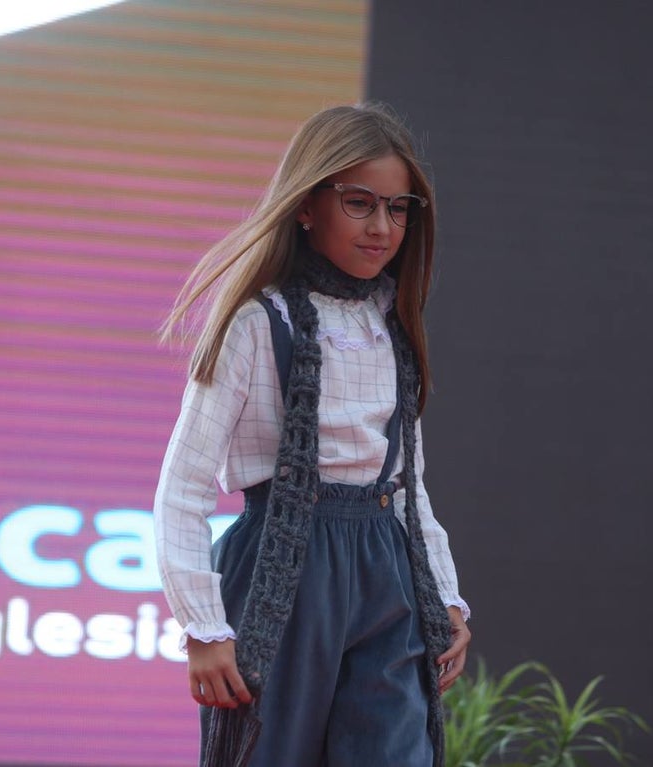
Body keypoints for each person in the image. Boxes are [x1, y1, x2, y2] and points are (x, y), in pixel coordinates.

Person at [154, 102, 471, 767]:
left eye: (399, 208)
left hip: (386, 566)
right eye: (360, 203)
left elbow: (408, 484)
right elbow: (182, 487)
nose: (383, 227)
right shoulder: (256, 323)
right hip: (284, 563)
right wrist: (203, 628)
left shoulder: (393, 325)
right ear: (306, 205)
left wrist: (445, 593)